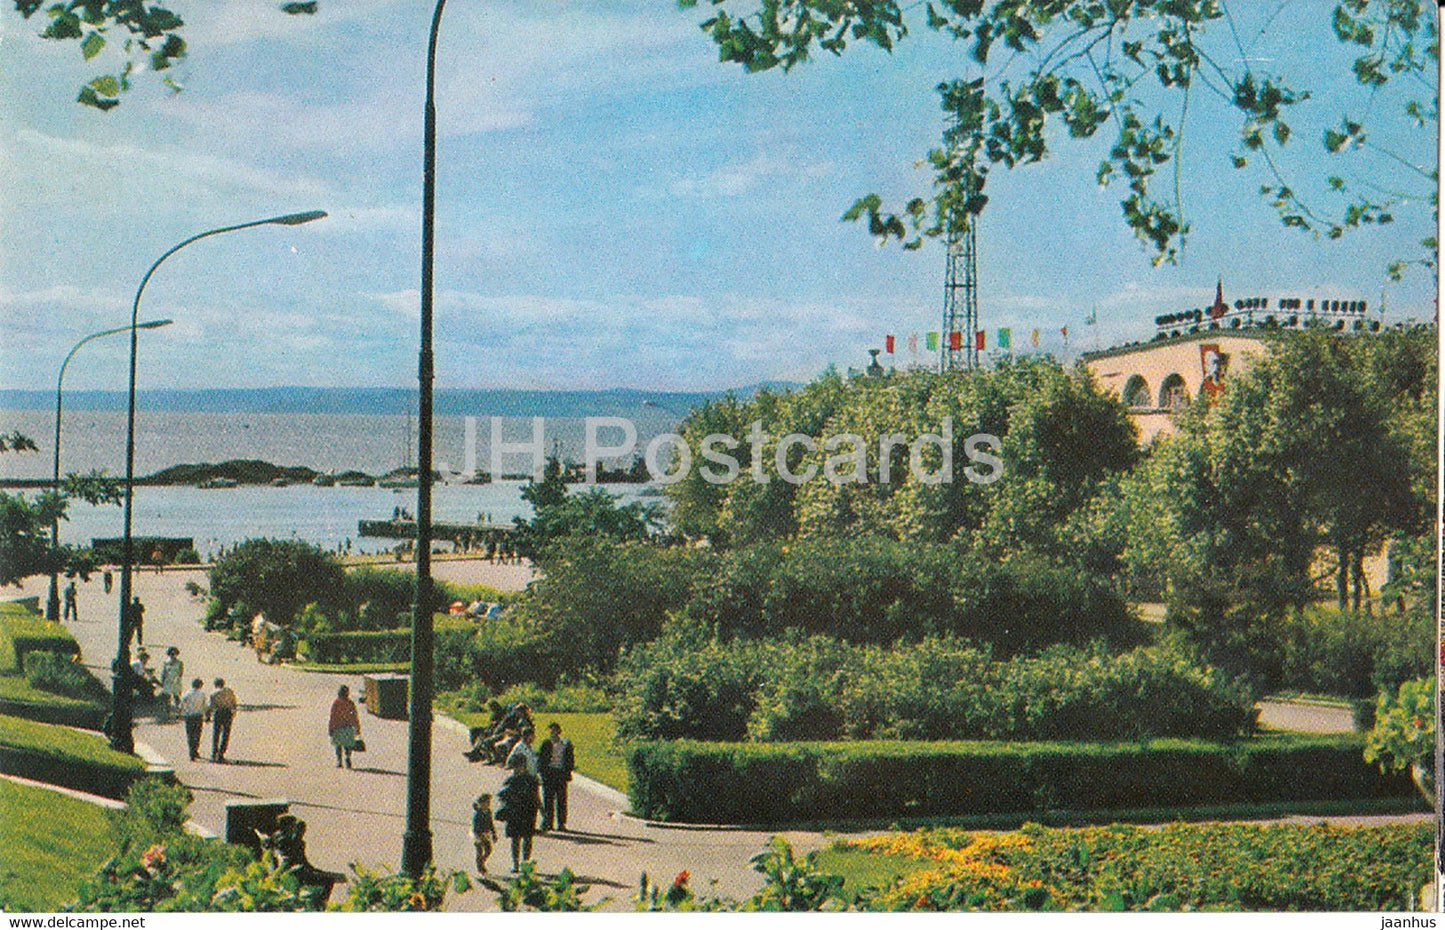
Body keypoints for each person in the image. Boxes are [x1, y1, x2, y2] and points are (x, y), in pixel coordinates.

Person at [494, 756, 540, 872]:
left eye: (516, 768)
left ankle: (525, 862)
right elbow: (501, 795)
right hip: (514, 812)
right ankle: (515, 863)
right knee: (515, 839)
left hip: (527, 812)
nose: (514, 771)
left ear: (522, 766)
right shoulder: (511, 781)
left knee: (527, 838)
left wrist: (542, 810)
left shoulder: (531, 780)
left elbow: (536, 796)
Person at [537, 722, 575, 832]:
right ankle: (548, 822)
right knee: (548, 799)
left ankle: (561, 823)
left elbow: (570, 759)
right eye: (551, 730)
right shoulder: (546, 744)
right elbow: (541, 759)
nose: (553, 733)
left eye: (555, 730)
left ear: (559, 731)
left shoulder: (565, 744)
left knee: (561, 800)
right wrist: (542, 773)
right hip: (549, 774)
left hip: (560, 774)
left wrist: (568, 771)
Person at [328, 684, 361, 769]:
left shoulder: (336, 703)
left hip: (338, 727)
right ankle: (347, 757)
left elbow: (333, 716)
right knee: (348, 745)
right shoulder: (350, 703)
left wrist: (331, 728)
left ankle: (339, 761)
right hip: (348, 727)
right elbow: (354, 716)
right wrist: (357, 728)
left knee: (338, 745)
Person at [207, 677, 238, 762]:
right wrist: (234, 712)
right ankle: (221, 753)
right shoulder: (229, 692)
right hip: (227, 713)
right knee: (226, 734)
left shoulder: (214, 694)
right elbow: (234, 702)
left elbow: (211, 706)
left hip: (218, 713)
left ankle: (214, 753)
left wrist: (208, 716)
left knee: (216, 733)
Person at [179, 678, 208, 760]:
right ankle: (195, 750)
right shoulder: (202, 694)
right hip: (198, 716)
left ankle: (191, 752)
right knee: (197, 735)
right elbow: (205, 706)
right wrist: (207, 716)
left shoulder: (187, 694)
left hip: (189, 716)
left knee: (190, 735)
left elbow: (181, 705)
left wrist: (183, 713)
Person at [471, 794, 498, 873]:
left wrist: (494, 834)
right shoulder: (478, 814)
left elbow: (491, 824)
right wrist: (479, 835)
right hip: (478, 834)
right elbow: (475, 827)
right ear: (481, 803)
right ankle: (480, 867)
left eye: (489, 802)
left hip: (486, 834)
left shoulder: (489, 812)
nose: (488, 804)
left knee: (488, 850)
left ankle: (481, 863)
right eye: (486, 802)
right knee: (479, 851)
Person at [158, 647, 184, 717]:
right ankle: (167, 712)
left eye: (174, 654)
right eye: (171, 654)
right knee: (167, 697)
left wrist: (177, 680)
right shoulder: (166, 663)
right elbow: (163, 673)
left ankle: (178, 711)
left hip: (176, 682)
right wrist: (162, 682)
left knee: (177, 697)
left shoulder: (180, 663)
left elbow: (181, 673)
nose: (173, 656)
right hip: (168, 682)